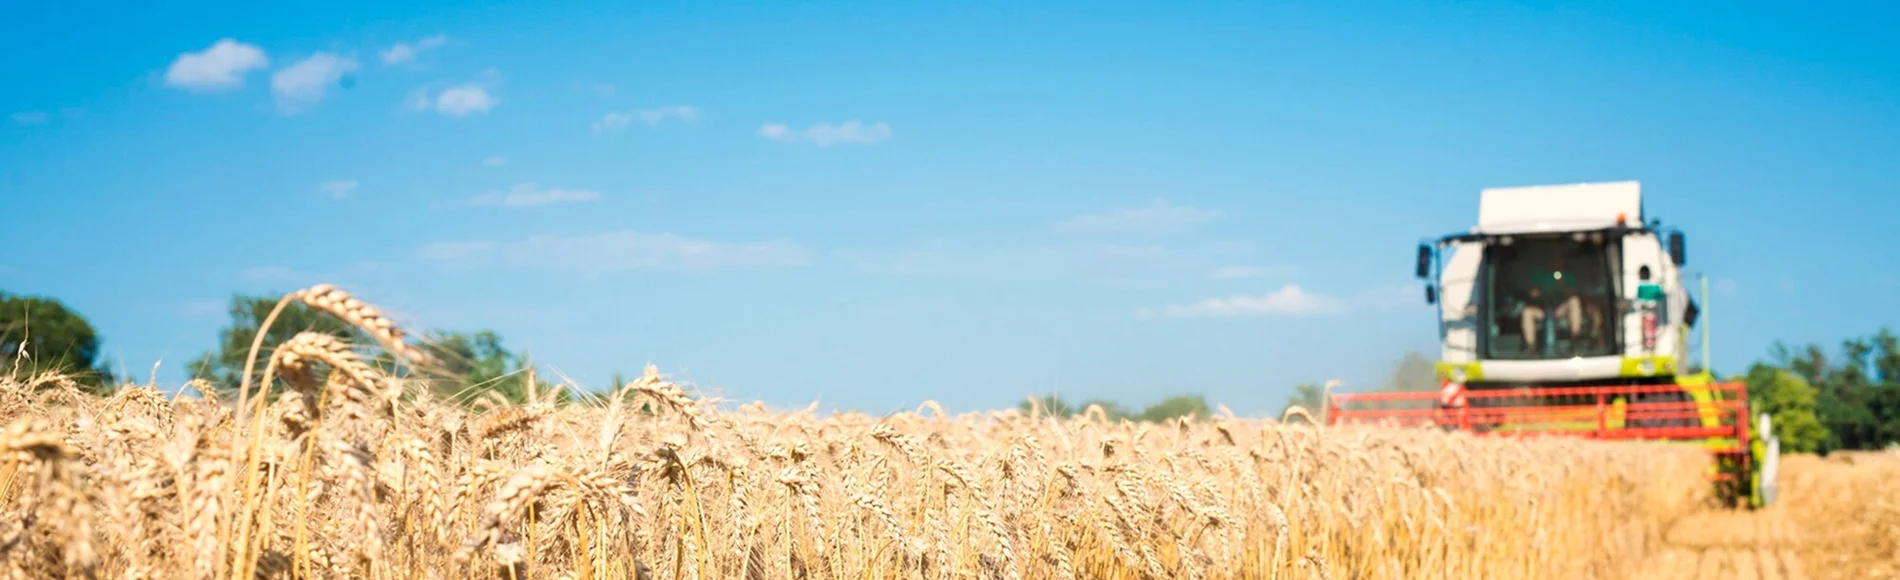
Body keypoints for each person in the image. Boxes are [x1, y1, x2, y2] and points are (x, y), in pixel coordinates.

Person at [1519, 252, 1604, 355]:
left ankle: (1576, 339)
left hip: (1560, 310)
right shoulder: (1539, 275)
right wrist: (1535, 292)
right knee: (1527, 311)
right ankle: (1530, 345)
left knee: (1574, 301)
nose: (1556, 263)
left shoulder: (1567, 276)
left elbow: (1572, 293)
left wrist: (1562, 284)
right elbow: (1531, 291)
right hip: (1543, 310)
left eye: (1559, 261)